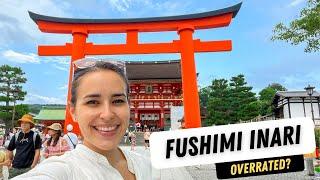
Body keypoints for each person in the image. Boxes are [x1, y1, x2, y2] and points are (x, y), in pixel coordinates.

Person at [13, 59, 152, 179]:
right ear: (73, 111)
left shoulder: (148, 164)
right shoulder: (64, 170)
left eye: (118, 101)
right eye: (92, 102)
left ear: (129, 105)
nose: (107, 114)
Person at [5, 114, 41, 179]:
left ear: (30, 124)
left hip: (28, 167)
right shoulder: (16, 135)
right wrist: (9, 161)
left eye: (26, 123)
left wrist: (33, 165)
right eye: (22, 122)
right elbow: (9, 149)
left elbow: (37, 151)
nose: (23, 124)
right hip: (15, 167)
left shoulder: (35, 136)